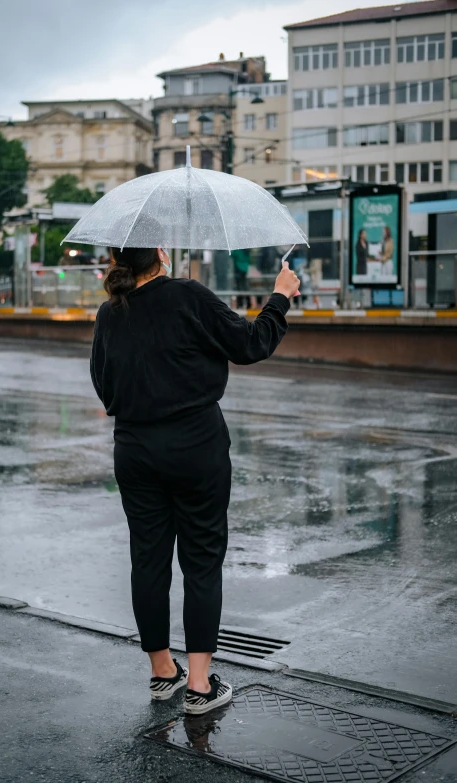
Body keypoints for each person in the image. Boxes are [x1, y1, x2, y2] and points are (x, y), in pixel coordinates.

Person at [90, 247, 300, 715]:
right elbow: (251, 345)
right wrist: (280, 298)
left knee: (148, 558)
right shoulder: (189, 296)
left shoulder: (110, 313)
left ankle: (163, 672)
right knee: (201, 559)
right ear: (161, 255)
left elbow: (104, 388)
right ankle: (201, 685)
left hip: (135, 449)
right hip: (195, 446)